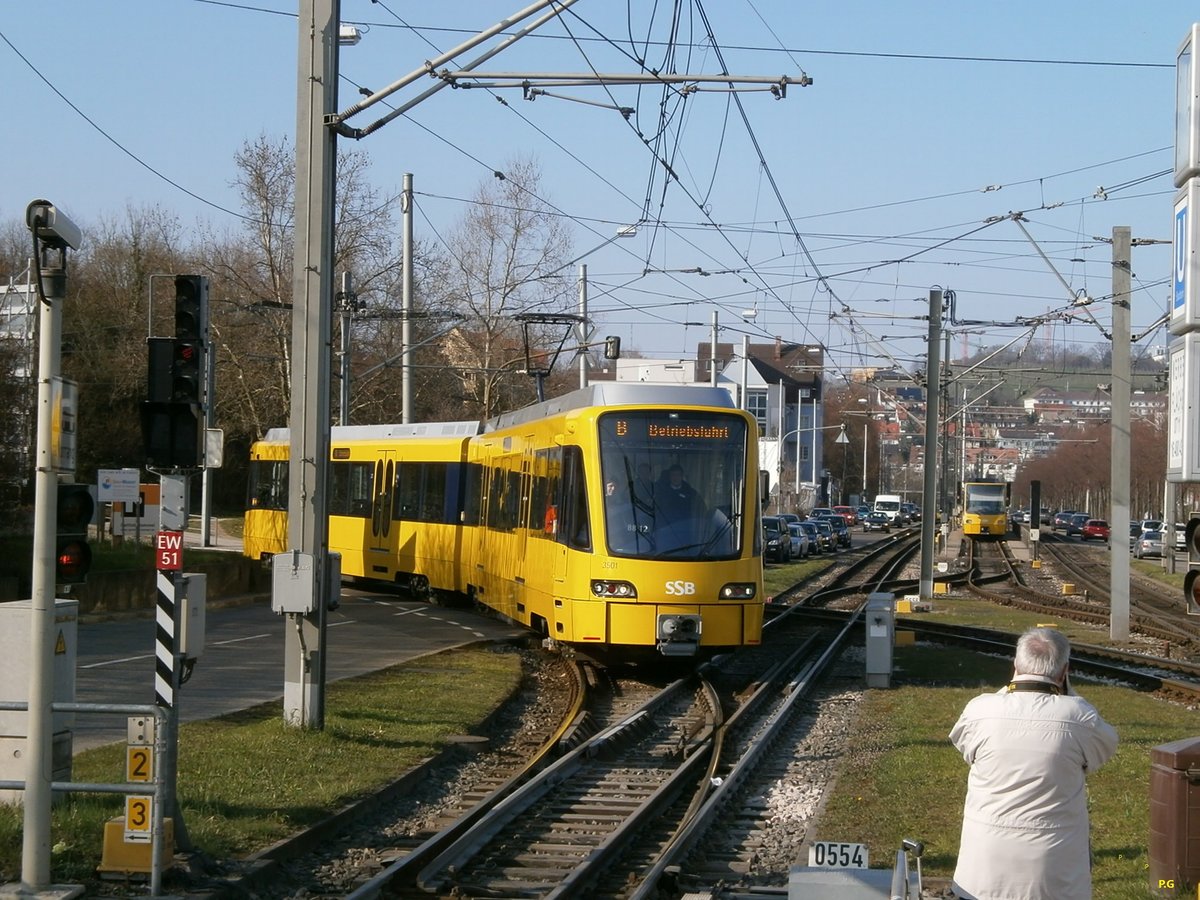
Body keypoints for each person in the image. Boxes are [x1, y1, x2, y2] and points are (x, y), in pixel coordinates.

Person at [949, 627, 1118, 900]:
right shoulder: (1081, 718)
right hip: (1055, 878)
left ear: (1015, 665)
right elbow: (1104, 749)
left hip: (981, 874)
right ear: (1064, 672)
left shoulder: (979, 710)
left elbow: (966, 748)